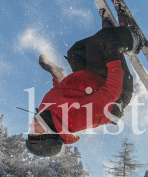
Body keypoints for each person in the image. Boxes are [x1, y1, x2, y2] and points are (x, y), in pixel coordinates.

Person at [25, 26, 138, 157]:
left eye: (30, 130)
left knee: (76, 51)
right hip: (117, 89)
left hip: (91, 79)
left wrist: (54, 72)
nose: (30, 125)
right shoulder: (76, 118)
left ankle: (112, 35)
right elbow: (111, 92)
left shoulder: (44, 112)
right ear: (49, 133)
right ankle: (135, 39)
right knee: (102, 43)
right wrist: (113, 56)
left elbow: (60, 91)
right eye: (35, 131)